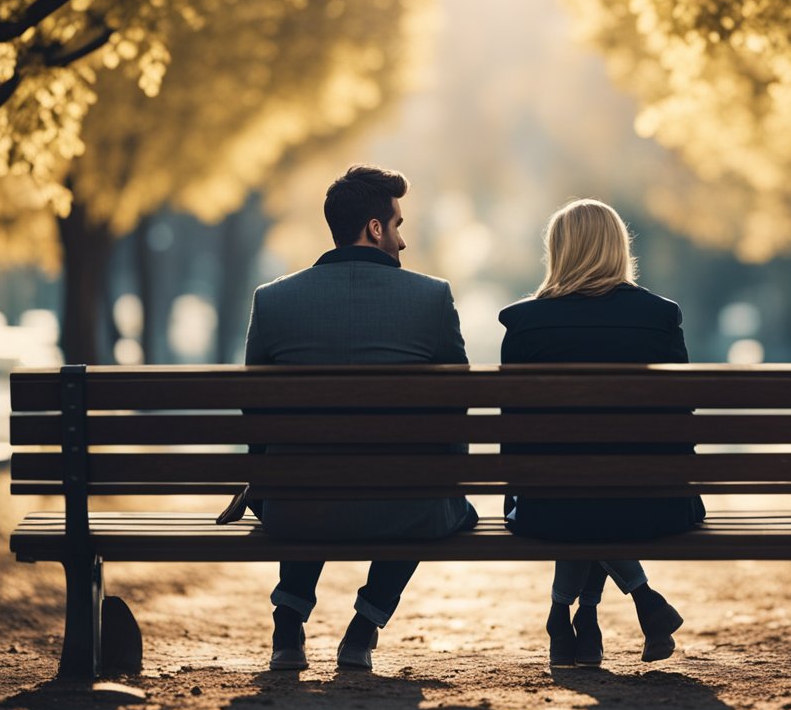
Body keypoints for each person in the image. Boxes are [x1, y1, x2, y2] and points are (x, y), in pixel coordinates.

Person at [243, 164, 476, 673]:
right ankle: (364, 627)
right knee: (423, 494)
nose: (403, 239)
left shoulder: (272, 300)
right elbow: (458, 407)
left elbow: (255, 415)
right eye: (397, 224)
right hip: (404, 510)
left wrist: (266, 485)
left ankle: (289, 622)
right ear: (375, 228)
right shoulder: (431, 298)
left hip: (294, 508)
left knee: (308, 473)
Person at [498, 198, 705, 667]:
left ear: (557, 251)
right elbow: (682, 416)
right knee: (602, 487)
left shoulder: (524, 324)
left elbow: (514, 431)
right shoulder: (660, 317)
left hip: (549, 508)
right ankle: (612, 609)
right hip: (653, 505)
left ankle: (565, 616)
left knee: (577, 489)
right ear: (619, 248)